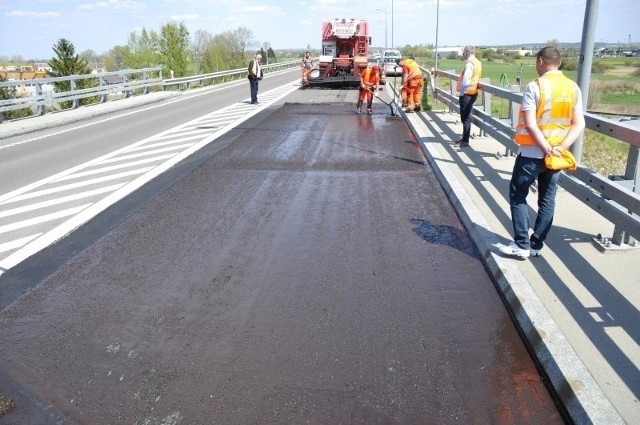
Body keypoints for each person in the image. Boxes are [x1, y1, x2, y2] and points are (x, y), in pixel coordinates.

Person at [499, 46, 585, 259]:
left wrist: (544, 147)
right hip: (555, 157)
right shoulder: (573, 87)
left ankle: (522, 244)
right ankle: (536, 245)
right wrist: (561, 148)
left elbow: (530, 123)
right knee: (547, 199)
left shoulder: (536, 86)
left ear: (540, 62)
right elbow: (579, 123)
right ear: (560, 62)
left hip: (531, 153)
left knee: (518, 195)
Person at [454, 46, 483, 148]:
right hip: (473, 92)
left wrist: (462, 91)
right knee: (467, 117)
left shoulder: (470, 63)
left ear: (467, 52)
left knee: (465, 117)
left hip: (467, 93)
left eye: (464, 53)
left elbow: (466, 79)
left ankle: (465, 141)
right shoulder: (477, 62)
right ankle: (464, 139)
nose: (463, 55)